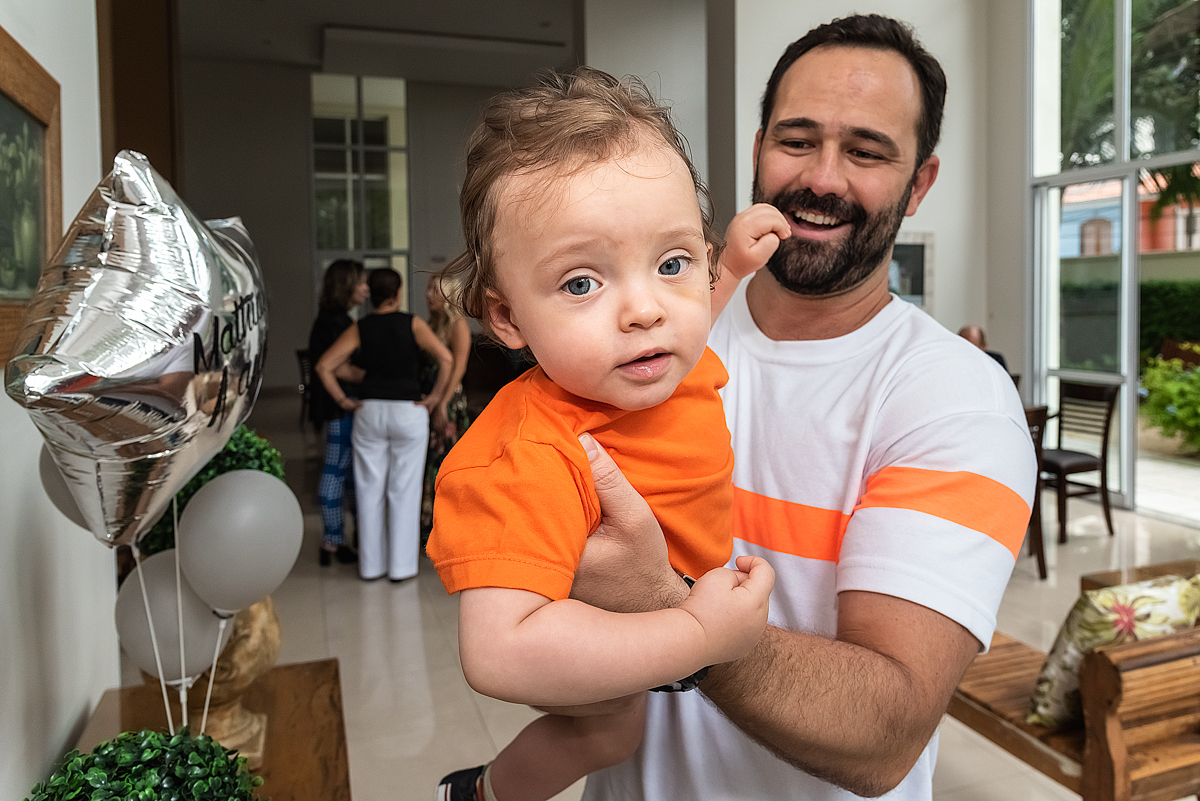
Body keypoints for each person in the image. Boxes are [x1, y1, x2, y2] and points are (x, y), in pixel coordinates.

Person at [569, 15, 1038, 801]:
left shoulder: (956, 400)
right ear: (758, 151)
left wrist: (664, 606)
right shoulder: (654, 333)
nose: (823, 178)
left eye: (866, 150)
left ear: (919, 183)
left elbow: (886, 730)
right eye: (797, 139)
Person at [426, 68, 782, 801]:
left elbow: (691, 318)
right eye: (582, 283)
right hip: (599, 642)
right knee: (608, 730)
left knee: (623, 733)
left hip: (675, 610)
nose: (645, 310)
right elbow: (498, 652)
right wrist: (696, 640)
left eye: (673, 261)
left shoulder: (657, 357)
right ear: (508, 317)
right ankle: (483, 794)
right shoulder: (527, 451)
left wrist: (736, 269)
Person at [316, 268, 456, 582]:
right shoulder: (413, 323)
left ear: (373, 295)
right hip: (409, 411)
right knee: (404, 490)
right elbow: (446, 358)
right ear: (398, 293)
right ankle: (401, 568)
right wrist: (434, 398)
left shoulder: (360, 327)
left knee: (369, 489)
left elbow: (325, 366)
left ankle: (371, 566)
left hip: (369, 411)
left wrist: (343, 400)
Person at [307, 259, 368, 566]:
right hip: (338, 406)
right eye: (360, 283)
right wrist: (372, 376)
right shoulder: (338, 323)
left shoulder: (331, 318)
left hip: (331, 406)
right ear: (346, 286)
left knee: (341, 472)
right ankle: (332, 540)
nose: (365, 289)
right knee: (335, 471)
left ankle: (338, 537)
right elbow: (338, 368)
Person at [419, 274, 473, 538]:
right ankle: (430, 521)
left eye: (436, 291)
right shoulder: (433, 323)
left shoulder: (457, 325)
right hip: (432, 398)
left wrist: (442, 403)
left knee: (445, 460)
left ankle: (448, 522)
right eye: (429, 289)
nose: (429, 295)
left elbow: (459, 367)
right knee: (431, 459)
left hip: (449, 402)